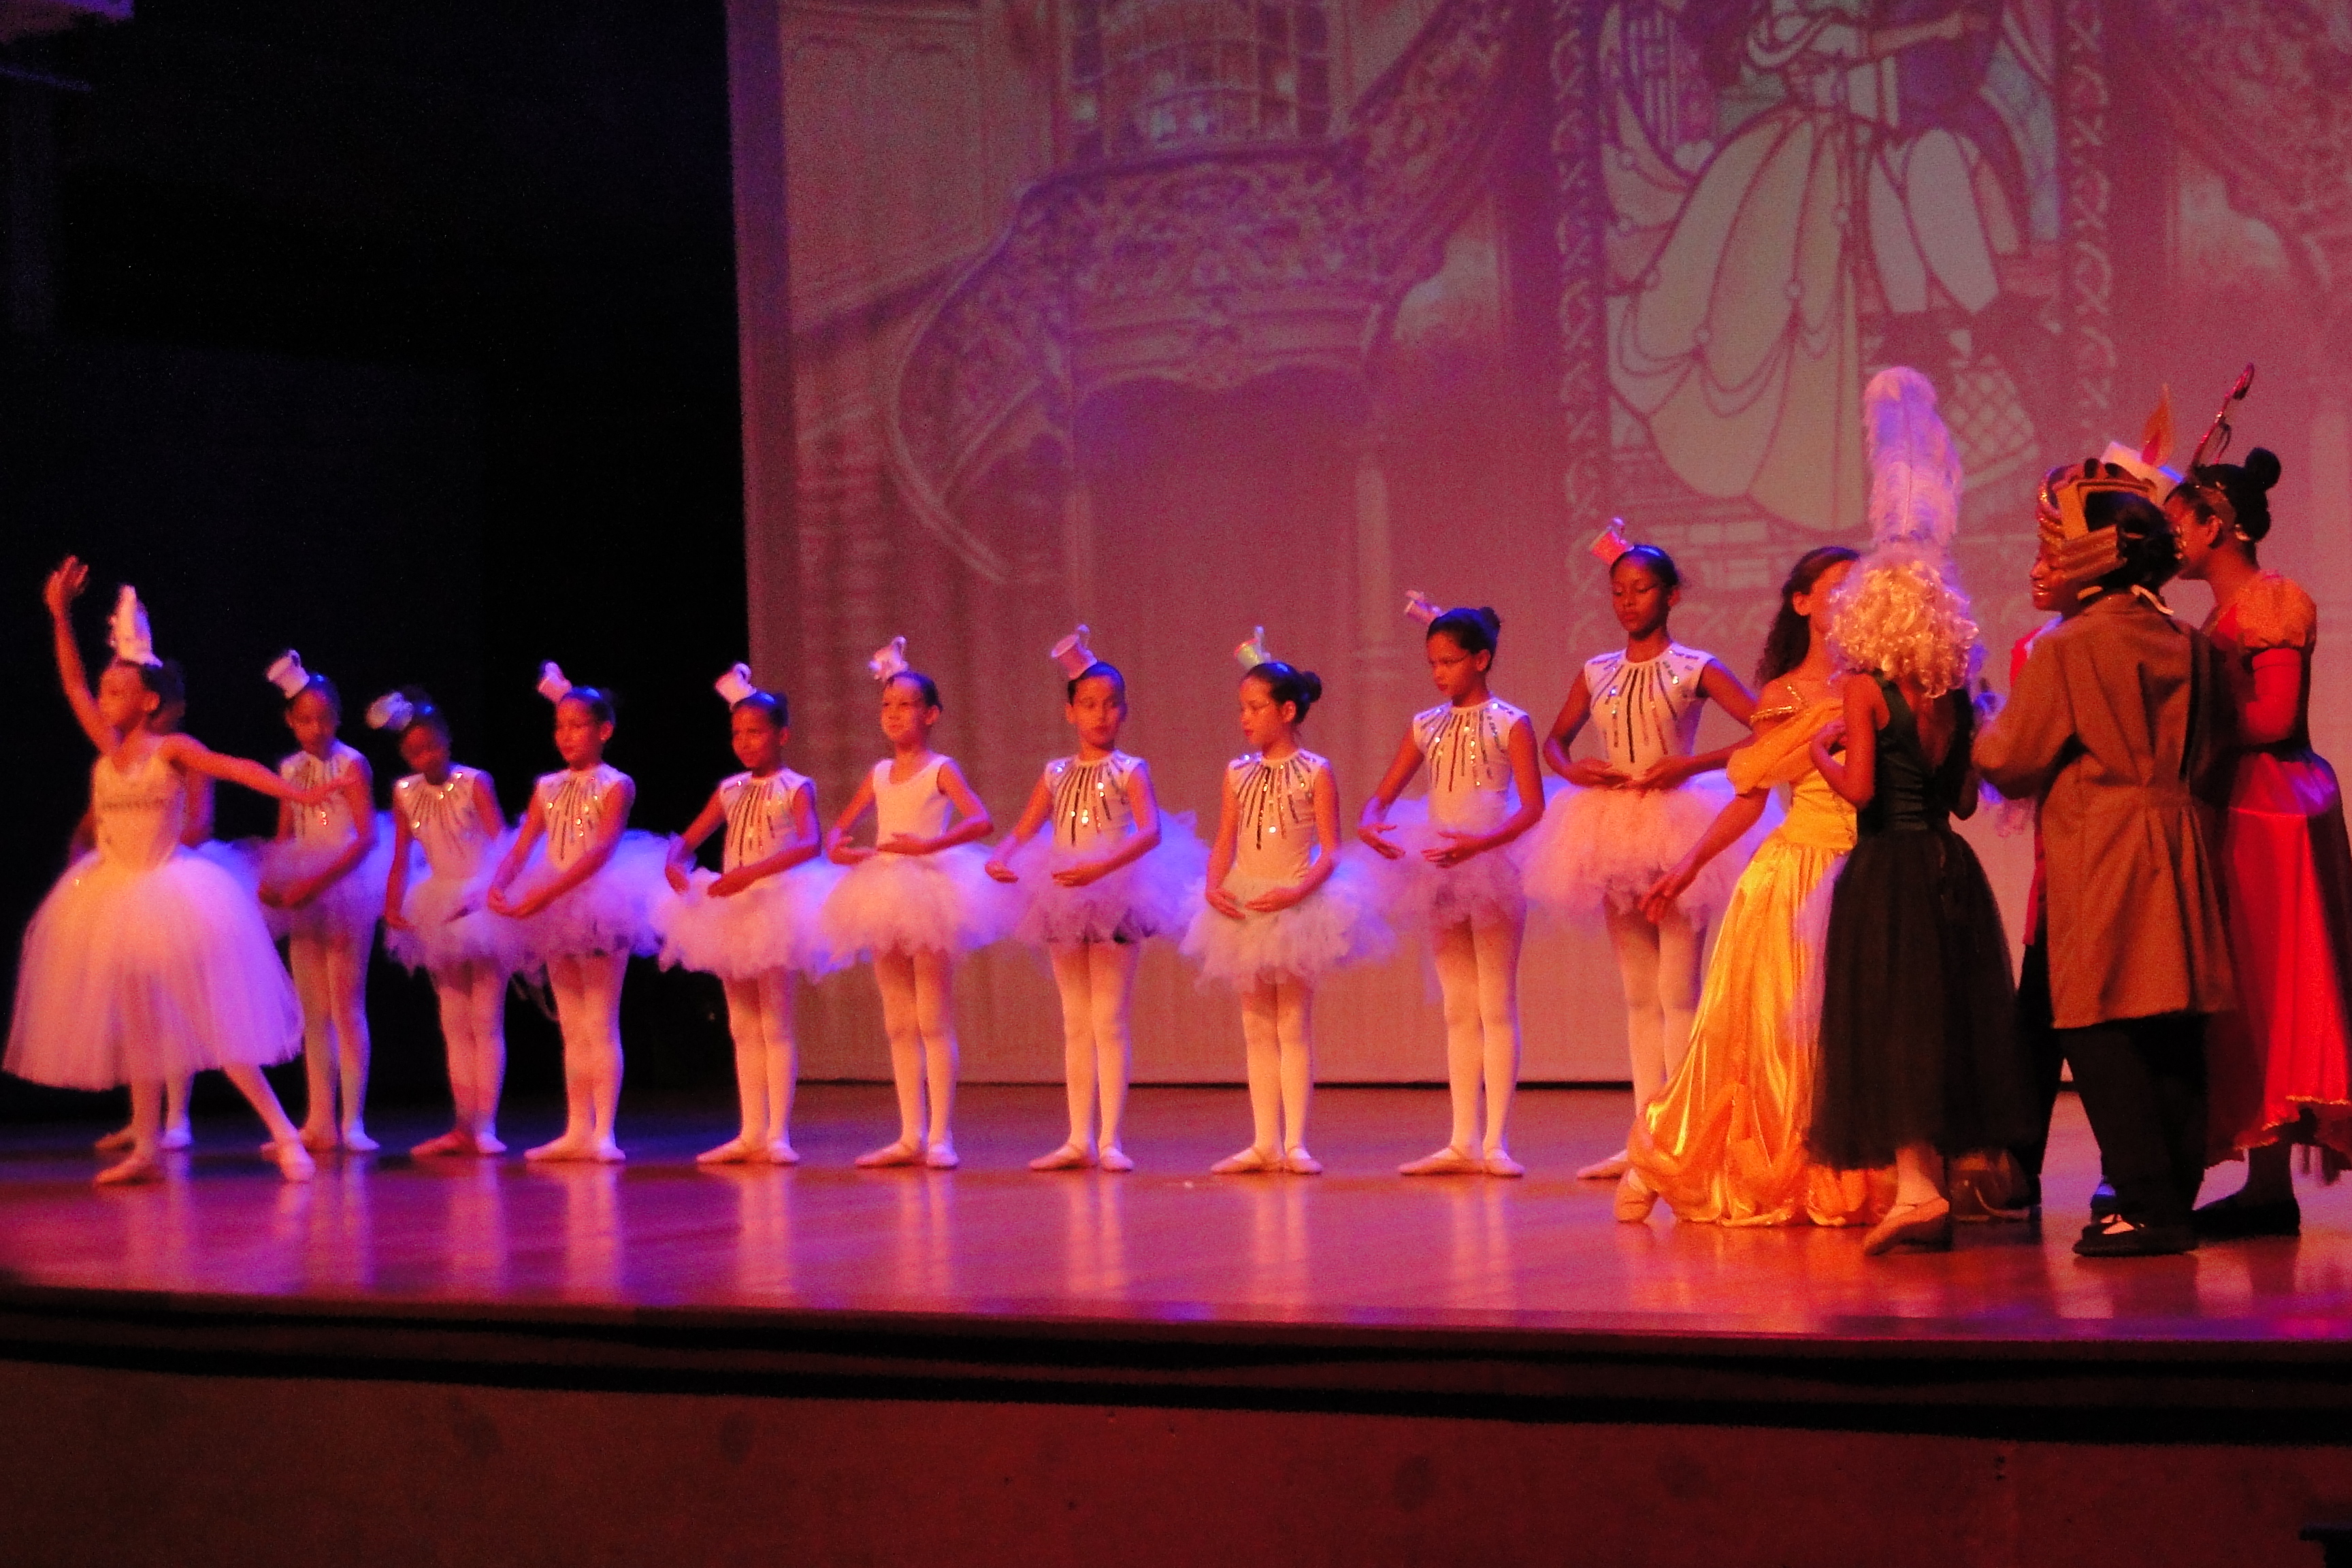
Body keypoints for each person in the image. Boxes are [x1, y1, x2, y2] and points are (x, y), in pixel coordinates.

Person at [1976, 457, 2236, 1256]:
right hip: (2180, 837)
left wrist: (1980, 720)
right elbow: (2217, 751)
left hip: (2103, 844)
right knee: (2175, 1022)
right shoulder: (2191, 644)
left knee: (2094, 1024)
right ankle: (2172, 1200)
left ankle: (2146, 1203)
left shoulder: (2069, 647)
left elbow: (2011, 760)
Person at [1806, 365, 2030, 1254]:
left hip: (1887, 868)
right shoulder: (1953, 695)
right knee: (1942, 1021)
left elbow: (1862, 791)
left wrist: (1820, 754)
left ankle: (1916, 1190)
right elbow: (1966, 799)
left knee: (1890, 1024)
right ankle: (1928, 1185)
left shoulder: (1863, 690)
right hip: (1947, 864)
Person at [9, 559, 323, 1184]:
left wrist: (299, 795)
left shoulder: (171, 750)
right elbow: (71, 685)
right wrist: (59, 615)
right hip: (113, 894)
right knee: (141, 1027)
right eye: (104, 690)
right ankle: (147, 1147)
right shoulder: (108, 748)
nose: (103, 698)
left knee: (209, 1019)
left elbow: (234, 768)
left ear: (149, 700)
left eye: (116, 690)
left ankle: (287, 1135)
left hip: (170, 894)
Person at [1622, 545, 1889, 1228]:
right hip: (1797, 874)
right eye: (1836, 587)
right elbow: (1750, 793)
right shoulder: (1782, 696)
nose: (1851, 598)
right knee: (1773, 1034)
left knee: (1856, 1029)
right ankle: (1678, 1157)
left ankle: (1854, 1164)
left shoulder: (1879, 682)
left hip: (1868, 865)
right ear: (1801, 602)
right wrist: (1686, 866)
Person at [1521, 527, 1763, 1179]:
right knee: (1637, 993)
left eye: (1642, 589)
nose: (1629, 602)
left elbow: (1765, 731)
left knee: (1678, 989)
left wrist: (1692, 764)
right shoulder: (1596, 671)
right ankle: (1645, 1139)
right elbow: (1554, 741)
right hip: (1612, 825)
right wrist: (1572, 770)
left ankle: (1685, 1137)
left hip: (1678, 824)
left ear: (1672, 595)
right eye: (1619, 592)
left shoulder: (1696, 667)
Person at [2169, 447, 2352, 1238]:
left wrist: (2186, 729)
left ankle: (2270, 1187)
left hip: (2274, 813)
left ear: (2216, 526)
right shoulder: (2222, 615)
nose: (2172, 540)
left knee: (2275, 980)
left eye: (2179, 525)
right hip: (2243, 806)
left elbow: (2276, 718)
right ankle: (2267, 1186)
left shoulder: (2271, 601)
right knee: (2250, 989)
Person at [988, 627, 1202, 1173]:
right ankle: (1076, 1138)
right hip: (1062, 892)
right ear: (1070, 712)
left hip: (1117, 893)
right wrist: (1002, 856)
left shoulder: (1130, 770)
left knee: (1108, 1019)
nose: (1100, 714)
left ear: (1123, 711)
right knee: (1074, 1021)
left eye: (1110, 704)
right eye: (1088, 704)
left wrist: (1101, 871)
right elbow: (1026, 827)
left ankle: (1110, 1139)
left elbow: (1149, 831)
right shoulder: (1056, 773)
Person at [1183, 630, 1390, 1175]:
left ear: (1287, 710)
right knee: (1255, 1025)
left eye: (1256, 708)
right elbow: (1225, 839)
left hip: (1298, 904)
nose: (1245, 719)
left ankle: (1295, 1143)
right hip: (1246, 903)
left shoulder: (1315, 771)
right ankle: (1263, 1142)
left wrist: (1298, 892)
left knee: (1293, 1023)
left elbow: (1331, 848)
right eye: (1242, 709)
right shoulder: (1236, 772)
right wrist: (1213, 885)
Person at [1359, 600, 1546, 1177]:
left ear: (1480, 659)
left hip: (1491, 866)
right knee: (1458, 1006)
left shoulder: (1511, 722)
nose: (1439, 673)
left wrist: (1480, 844)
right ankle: (1462, 1138)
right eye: (1432, 663)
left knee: (1495, 1001)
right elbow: (1382, 795)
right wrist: (1369, 822)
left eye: (1449, 661)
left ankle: (1496, 1142)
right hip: (1439, 866)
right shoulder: (1426, 725)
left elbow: (1532, 807)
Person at [821, 639, 1014, 1169]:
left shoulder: (941, 769)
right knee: (897, 1020)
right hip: (884, 891)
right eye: (887, 705)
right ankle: (909, 1134)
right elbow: (840, 827)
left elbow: (980, 820)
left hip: (930, 892)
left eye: (906, 705)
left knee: (932, 1017)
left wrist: (929, 845)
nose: (894, 714)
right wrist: (839, 848)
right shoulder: (879, 773)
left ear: (931, 714)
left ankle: (940, 1137)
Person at [662, 666, 845, 1166]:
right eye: (737, 733)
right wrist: (675, 861)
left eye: (756, 732)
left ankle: (778, 1135)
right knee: (742, 1025)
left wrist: (752, 874)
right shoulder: (730, 789)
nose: (744, 742)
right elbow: (690, 837)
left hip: (775, 904)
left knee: (775, 1022)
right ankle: (749, 1132)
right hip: (732, 906)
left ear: (781, 735)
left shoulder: (796, 786)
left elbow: (809, 843)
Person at [487, 664, 668, 1163]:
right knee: (570, 1025)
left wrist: (545, 895)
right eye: (559, 726)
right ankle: (575, 1128)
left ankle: (603, 1132)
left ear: (604, 730)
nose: (566, 735)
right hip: (554, 904)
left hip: (599, 901)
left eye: (578, 725)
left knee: (600, 1021)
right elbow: (523, 845)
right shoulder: (547, 786)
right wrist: (499, 883)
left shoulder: (617, 784)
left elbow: (601, 851)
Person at [378, 688, 523, 1158]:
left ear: (447, 740)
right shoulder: (404, 793)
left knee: (486, 1018)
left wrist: (486, 896)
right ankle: (463, 1125)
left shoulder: (475, 782)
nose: (426, 757)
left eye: (432, 747)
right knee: (453, 1020)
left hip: (479, 902)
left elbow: (502, 845)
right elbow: (402, 855)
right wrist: (392, 905)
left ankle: (486, 1126)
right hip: (436, 903)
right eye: (415, 752)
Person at [258, 650, 389, 1152]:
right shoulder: (290, 768)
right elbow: (286, 831)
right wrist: (274, 879)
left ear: (337, 718)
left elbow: (366, 837)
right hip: (303, 886)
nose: (316, 729)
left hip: (345, 885)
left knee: (346, 1006)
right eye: (306, 719)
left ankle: (352, 1121)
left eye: (325, 719)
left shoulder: (352, 763)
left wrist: (316, 885)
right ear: (291, 721)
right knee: (312, 1012)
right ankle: (318, 1119)